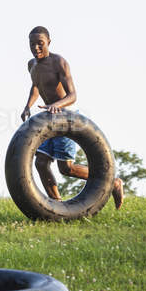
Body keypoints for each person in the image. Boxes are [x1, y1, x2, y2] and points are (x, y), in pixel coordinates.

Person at [21, 26, 124, 208]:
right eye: (32, 44)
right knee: (41, 162)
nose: (36, 48)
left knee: (66, 168)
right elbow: (35, 87)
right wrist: (28, 106)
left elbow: (73, 95)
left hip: (66, 118)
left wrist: (56, 105)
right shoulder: (32, 65)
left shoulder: (58, 62)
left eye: (40, 44)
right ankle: (57, 206)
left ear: (49, 43)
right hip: (48, 119)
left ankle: (112, 182)